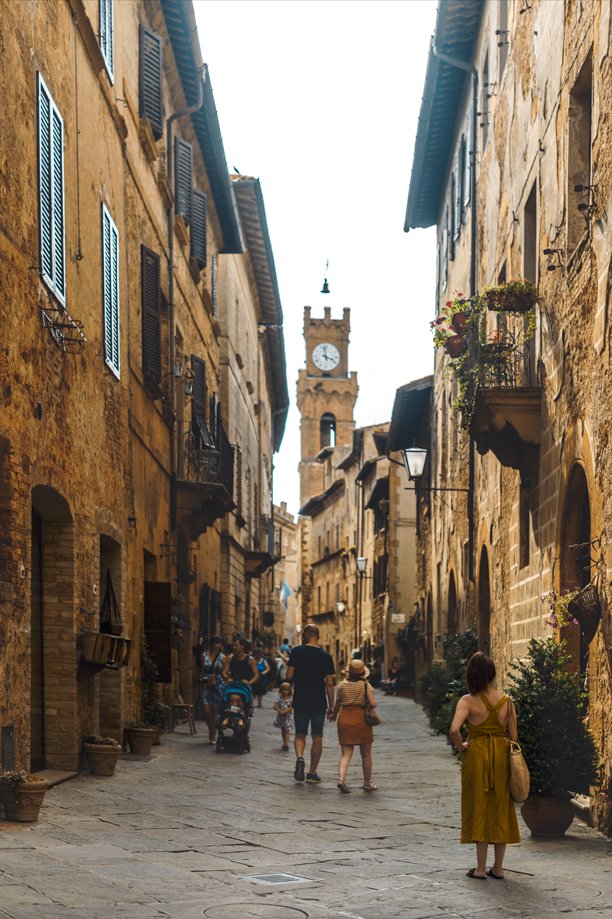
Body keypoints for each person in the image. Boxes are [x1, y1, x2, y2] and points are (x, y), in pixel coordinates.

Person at [449, 651, 520, 881]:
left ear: (472, 675)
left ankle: (480, 868)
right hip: (500, 756)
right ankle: (498, 868)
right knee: (501, 808)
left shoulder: (467, 701)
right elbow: (514, 737)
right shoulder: (506, 701)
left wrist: (462, 748)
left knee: (479, 805)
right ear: (492, 674)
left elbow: (454, 730)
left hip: (477, 756)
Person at [286, 623, 335, 784]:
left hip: (300, 698)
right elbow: (329, 683)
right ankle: (312, 773)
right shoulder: (326, 656)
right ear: (318, 636)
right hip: (318, 701)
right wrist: (332, 705)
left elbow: (289, 675)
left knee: (300, 733)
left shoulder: (296, 651)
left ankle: (300, 758)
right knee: (317, 736)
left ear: (305, 634)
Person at [331, 659, 378, 793]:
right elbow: (373, 704)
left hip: (345, 717)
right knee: (366, 754)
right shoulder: (366, 686)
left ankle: (341, 780)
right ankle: (367, 783)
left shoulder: (342, 685)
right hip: (362, 718)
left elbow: (338, 704)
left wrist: (334, 715)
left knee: (346, 754)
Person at [200, 635, 225, 744]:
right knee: (206, 711)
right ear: (211, 644)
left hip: (218, 685)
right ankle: (211, 729)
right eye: (216, 643)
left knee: (215, 712)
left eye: (219, 643)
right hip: (206, 685)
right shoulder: (204, 655)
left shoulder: (223, 657)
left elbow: (224, 672)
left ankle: (213, 736)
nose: (218, 645)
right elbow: (201, 670)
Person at [273, 681, 294, 751]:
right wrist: (280, 710)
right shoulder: (280, 698)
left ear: (290, 691)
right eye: (283, 690)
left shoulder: (291, 699)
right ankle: (284, 742)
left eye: (287, 690)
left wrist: (285, 711)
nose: (285, 691)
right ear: (280, 690)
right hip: (281, 717)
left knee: (287, 730)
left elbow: (292, 707)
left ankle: (286, 744)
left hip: (288, 717)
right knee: (283, 729)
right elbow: (274, 706)